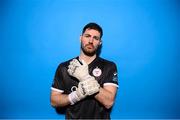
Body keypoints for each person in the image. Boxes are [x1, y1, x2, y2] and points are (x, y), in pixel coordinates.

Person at [50, 22, 118, 119]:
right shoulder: (65, 67)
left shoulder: (109, 66)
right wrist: (76, 95)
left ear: (100, 43)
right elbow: (54, 101)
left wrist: (85, 78)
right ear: (80, 38)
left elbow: (108, 102)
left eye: (96, 38)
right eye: (87, 36)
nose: (91, 41)